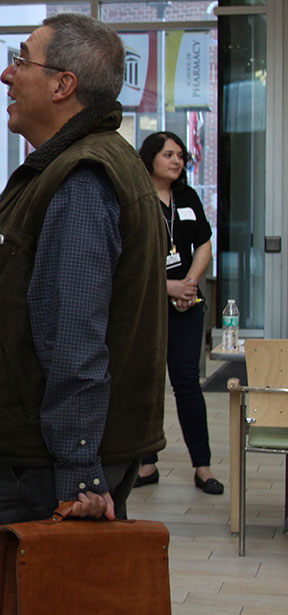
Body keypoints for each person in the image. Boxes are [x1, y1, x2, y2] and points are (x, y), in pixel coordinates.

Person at [0, 14, 167, 615]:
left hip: (43, 463)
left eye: (21, 61)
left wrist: (80, 474)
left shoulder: (82, 180)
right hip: (51, 452)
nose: (6, 74)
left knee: (38, 607)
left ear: (62, 85)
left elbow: (76, 338)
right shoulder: (82, 166)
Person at [134, 132, 221, 494]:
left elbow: (203, 243)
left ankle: (202, 466)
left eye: (181, 156)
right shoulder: (136, 198)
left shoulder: (187, 197)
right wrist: (167, 287)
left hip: (187, 302)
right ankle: (146, 462)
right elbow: (129, 258)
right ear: (150, 158)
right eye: (168, 154)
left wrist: (189, 283)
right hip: (148, 303)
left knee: (187, 383)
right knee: (147, 384)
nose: (176, 161)